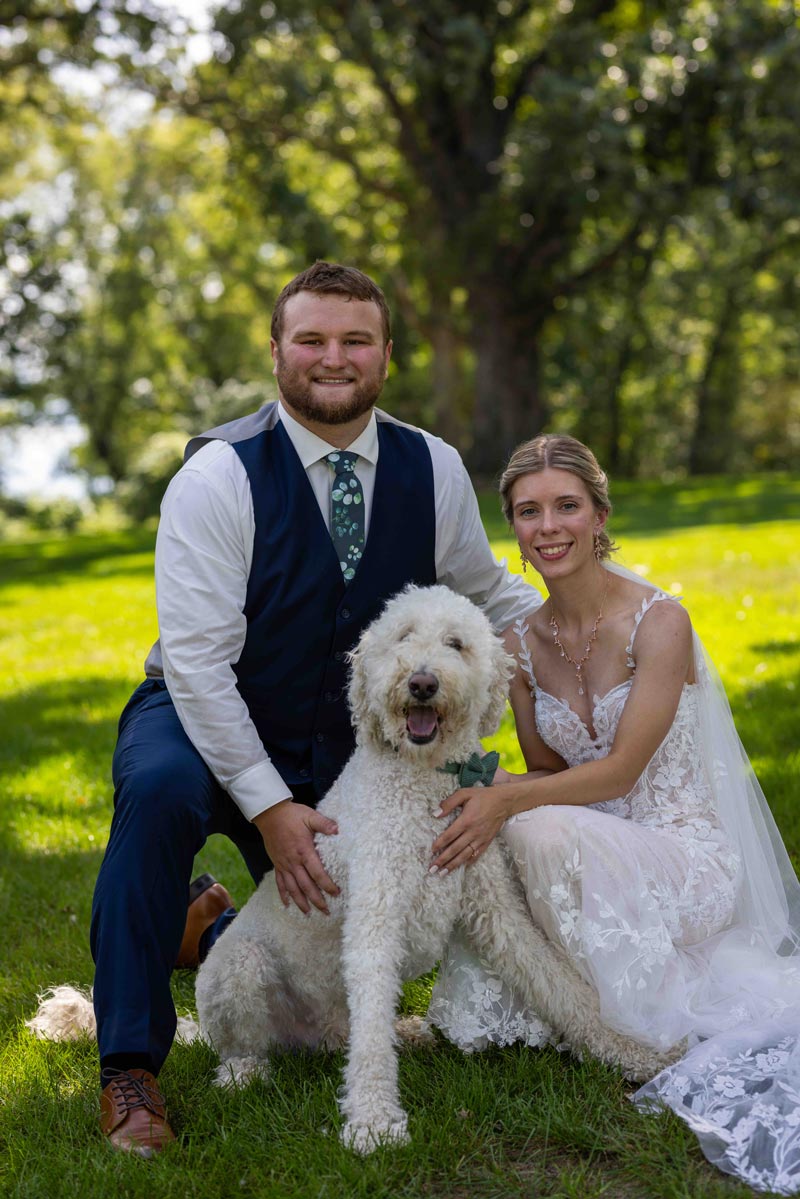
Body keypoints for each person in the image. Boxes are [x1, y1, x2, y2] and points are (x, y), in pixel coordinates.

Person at [89, 262, 543, 1156]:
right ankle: (130, 1067)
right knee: (159, 794)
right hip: (202, 708)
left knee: (292, 929)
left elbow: (491, 596)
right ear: (276, 351)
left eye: (355, 340)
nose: (333, 358)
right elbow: (197, 663)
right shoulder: (217, 475)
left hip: (343, 736)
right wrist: (268, 806)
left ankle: (207, 924)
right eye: (311, 339)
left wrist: (617, 619)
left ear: (384, 355)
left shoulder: (433, 466)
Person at [425, 433, 800, 1194]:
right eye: (528, 512)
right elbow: (552, 774)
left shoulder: (661, 621)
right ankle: (579, 997)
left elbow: (623, 770)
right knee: (512, 824)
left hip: (686, 857)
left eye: (567, 505)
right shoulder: (518, 645)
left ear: (600, 515)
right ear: (514, 532)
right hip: (595, 841)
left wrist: (506, 799)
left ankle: (623, 1021)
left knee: (524, 820)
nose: (549, 526)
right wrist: (484, 787)